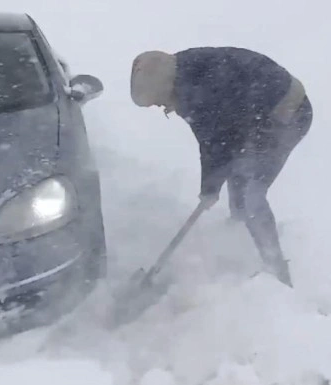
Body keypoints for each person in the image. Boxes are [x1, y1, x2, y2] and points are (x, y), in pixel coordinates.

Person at [129, 47, 313, 287]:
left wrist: (210, 188)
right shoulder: (183, 75)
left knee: (251, 194)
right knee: (237, 173)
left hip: (287, 113)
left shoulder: (198, 89)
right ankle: (237, 239)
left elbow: (216, 141)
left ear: (164, 87)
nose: (161, 107)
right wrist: (211, 187)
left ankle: (276, 270)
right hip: (255, 117)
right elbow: (213, 141)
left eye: (157, 101)